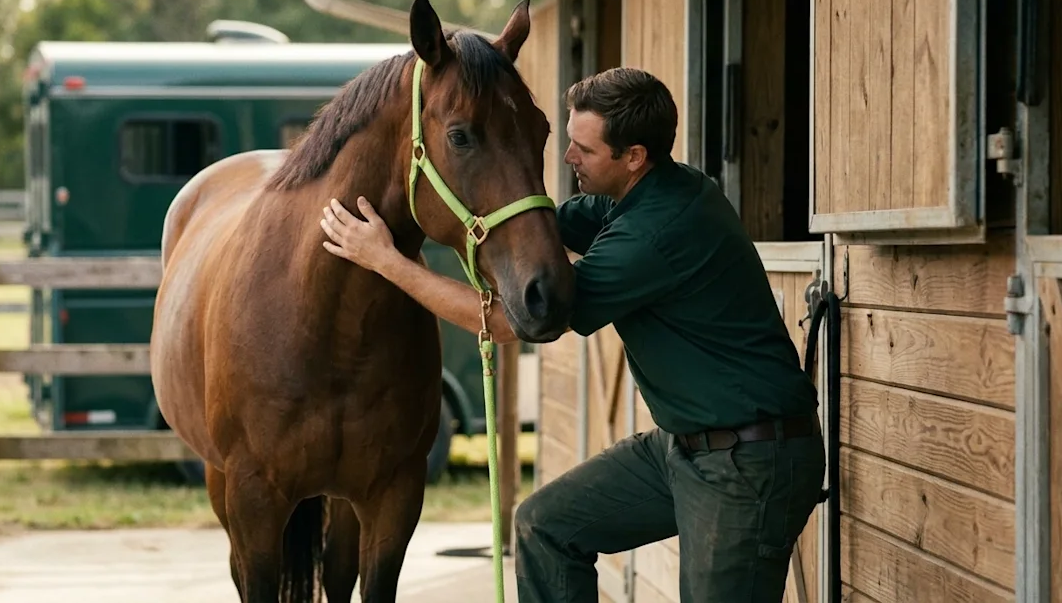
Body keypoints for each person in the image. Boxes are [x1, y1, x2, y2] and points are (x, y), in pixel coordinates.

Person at [318, 67, 826, 603]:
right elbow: (534, 226)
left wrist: (387, 261)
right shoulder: (635, 194)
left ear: (632, 156)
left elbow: (514, 324)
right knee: (546, 526)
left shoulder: (654, 233)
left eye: (583, 148)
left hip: (747, 462)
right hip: (684, 446)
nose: (568, 158)